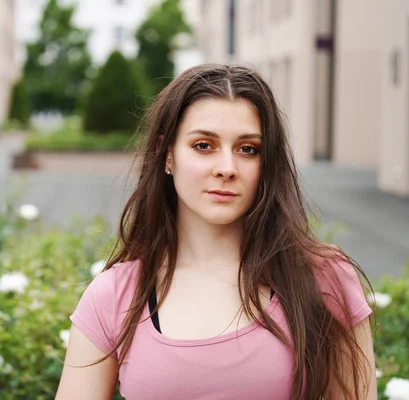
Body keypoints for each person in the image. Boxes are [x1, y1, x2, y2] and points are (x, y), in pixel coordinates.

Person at [55, 64, 377, 400]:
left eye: (248, 149)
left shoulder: (324, 278)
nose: (226, 168)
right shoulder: (115, 296)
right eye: (204, 145)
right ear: (167, 154)